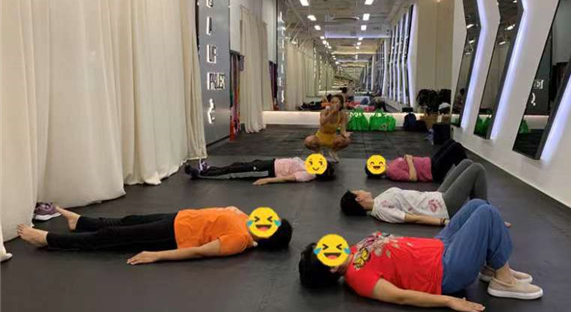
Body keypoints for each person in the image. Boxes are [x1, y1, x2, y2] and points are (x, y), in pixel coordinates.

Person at [299, 200, 543, 312]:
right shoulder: (357, 277)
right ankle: (503, 280)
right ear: (332, 269)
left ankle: (492, 266)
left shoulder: (353, 250)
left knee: (476, 205)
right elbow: (400, 297)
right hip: (446, 271)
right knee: (487, 214)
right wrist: (449, 301)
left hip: (439, 246)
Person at [17, 206, 292, 264]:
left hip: (170, 235)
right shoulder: (246, 219)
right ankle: (80, 221)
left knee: (113, 236)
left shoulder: (240, 240)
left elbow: (199, 252)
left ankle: (48, 239)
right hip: (177, 217)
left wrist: (157, 255)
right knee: (128, 219)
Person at [344, 160, 497, 225]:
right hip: (442, 207)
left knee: (466, 163)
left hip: (435, 196)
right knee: (477, 169)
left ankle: (480, 212)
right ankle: (487, 217)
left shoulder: (379, 200)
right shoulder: (380, 210)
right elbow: (414, 219)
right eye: (358, 191)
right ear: (358, 199)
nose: (361, 189)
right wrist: (443, 222)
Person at [184, 157, 335, 185]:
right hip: (270, 163)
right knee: (237, 164)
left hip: (267, 171)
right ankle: (209, 169)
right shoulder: (309, 165)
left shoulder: (308, 174)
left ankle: (201, 174)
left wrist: (266, 180)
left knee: (234, 172)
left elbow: (287, 178)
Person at [374, 139, 467, 183]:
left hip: (430, 162)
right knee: (456, 147)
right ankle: (468, 173)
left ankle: (465, 172)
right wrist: (409, 160)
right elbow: (413, 178)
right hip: (433, 172)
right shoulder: (391, 172)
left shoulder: (390, 165)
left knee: (450, 142)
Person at [304, 94, 350, 162]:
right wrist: (332, 113)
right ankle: (318, 151)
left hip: (332, 138)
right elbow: (322, 122)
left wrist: (345, 134)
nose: (333, 104)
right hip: (320, 137)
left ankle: (333, 151)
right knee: (308, 141)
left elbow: (342, 130)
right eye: (332, 102)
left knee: (347, 140)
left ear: (340, 105)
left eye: (336, 102)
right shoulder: (324, 111)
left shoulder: (342, 115)